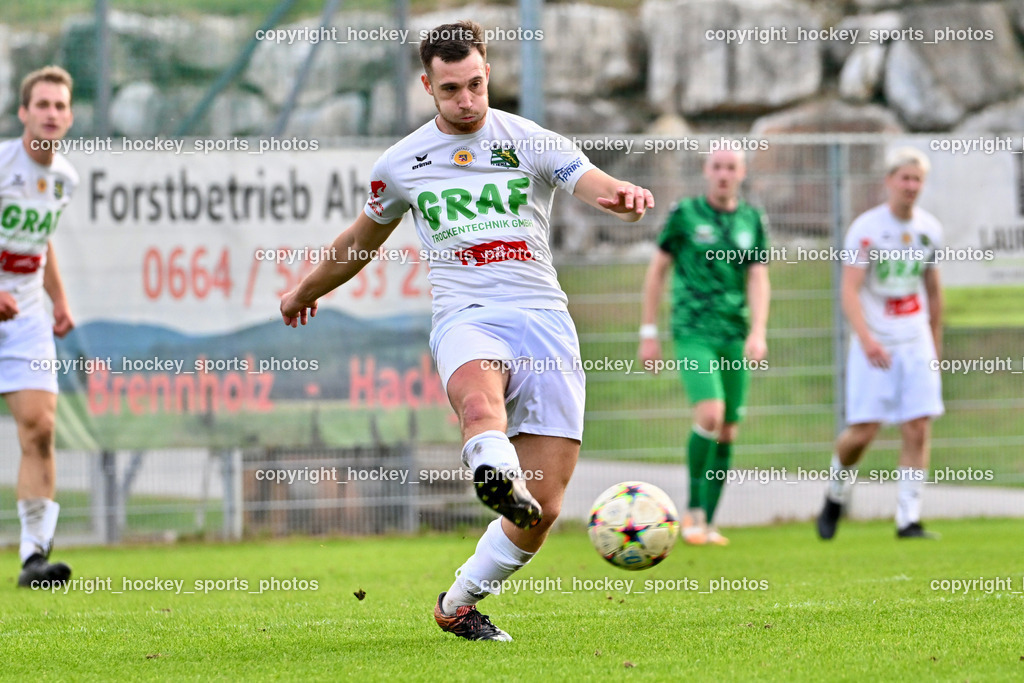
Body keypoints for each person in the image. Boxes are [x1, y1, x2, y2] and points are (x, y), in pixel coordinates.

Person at [280, 20, 654, 641]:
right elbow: (358, 243)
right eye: (451, 89)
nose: (467, 100)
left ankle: (458, 602)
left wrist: (620, 195)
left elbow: (587, 179)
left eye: (477, 84)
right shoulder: (402, 163)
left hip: (545, 323)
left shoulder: (527, 139)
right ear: (427, 85)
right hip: (467, 315)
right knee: (479, 405)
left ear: (488, 74)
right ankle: (494, 474)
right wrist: (301, 291)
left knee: (545, 509)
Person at [639, 148, 770, 547]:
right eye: (717, 167)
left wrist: (758, 330)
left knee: (728, 428)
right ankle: (693, 513)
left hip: (734, 332)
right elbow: (658, 270)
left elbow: (758, 277)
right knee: (711, 414)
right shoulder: (685, 215)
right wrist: (648, 331)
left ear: (742, 173)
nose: (724, 175)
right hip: (693, 330)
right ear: (706, 172)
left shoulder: (752, 220)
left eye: (731, 168)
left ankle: (707, 524)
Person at [816, 147, 943, 541]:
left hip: (915, 339)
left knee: (918, 426)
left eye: (917, 179)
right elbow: (849, 291)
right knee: (864, 431)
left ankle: (908, 518)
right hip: (875, 342)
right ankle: (835, 494)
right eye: (904, 177)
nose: (910, 186)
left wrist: (934, 346)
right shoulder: (865, 229)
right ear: (889, 181)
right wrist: (867, 340)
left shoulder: (929, 230)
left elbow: (934, 293)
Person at [1, 66, 79, 587]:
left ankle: (34, 557)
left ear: (69, 117)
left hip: (25, 313)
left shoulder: (64, 179)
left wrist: (59, 300)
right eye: (42, 104)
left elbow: (41, 242)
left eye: (60, 106)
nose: (51, 113)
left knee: (41, 427)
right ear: (24, 112)